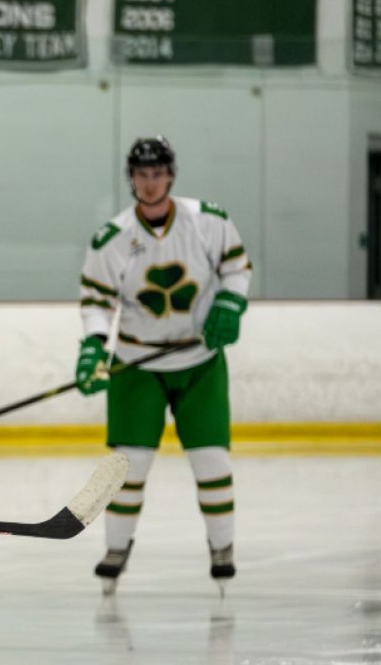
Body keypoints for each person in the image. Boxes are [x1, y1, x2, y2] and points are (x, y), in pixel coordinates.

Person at [75, 136, 252, 595]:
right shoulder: (112, 238)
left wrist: (231, 303)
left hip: (201, 362)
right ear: (130, 179)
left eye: (157, 174)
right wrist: (94, 347)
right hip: (136, 364)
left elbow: (237, 268)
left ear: (170, 175)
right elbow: (96, 300)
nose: (149, 183)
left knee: (212, 461)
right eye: (141, 174)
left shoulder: (208, 221)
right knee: (128, 466)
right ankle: (116, 548)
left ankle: (222, 548)